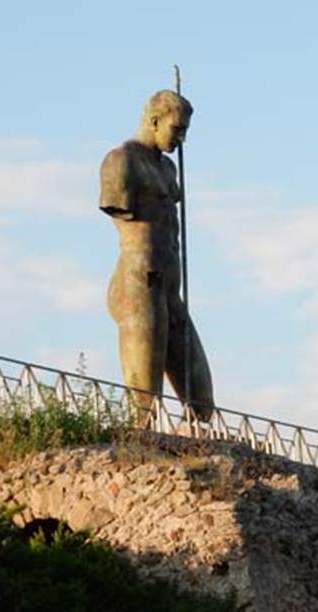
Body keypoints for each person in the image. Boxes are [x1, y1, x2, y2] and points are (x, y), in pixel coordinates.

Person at [99, 90, 214, 421]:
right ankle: (142, 447)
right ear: (153, 121)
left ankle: (196, 444)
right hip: (139, 282)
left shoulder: (168, 169)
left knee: (200, 394)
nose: (181, 138)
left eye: (185, 131)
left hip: (169, 289)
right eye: (177, 129)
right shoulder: (121, 160)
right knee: (146, 401)